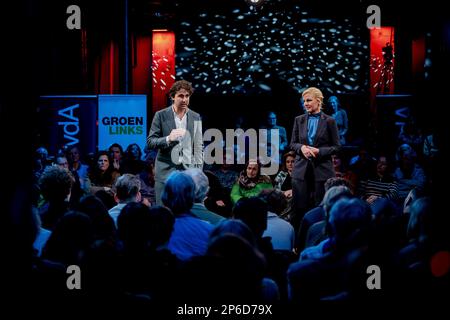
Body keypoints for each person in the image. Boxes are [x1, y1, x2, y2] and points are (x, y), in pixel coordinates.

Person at [290, 87, 341, 229]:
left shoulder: (330, 121)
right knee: (299, 208)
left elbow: (337, 147)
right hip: (301, 171)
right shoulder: (298, 120)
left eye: (309, 100)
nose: (305, 103)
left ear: (318, 101)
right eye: (304, 101)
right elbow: (292, 143)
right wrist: (302, 148)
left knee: (321, 207)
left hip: (322, 170)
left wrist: (319, 151)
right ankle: (297, 244)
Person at [147, 80, 203, 205]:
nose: (184, 100)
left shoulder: (195, 116)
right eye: (180, 96)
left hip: (188, 172)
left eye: (187, 96)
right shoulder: (160, 115)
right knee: (163, 211)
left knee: (185, 211)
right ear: (172, 96)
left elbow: (199, 146)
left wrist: (198, 171)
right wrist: (168, 138)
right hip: (165, 171)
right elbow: (150, 142)